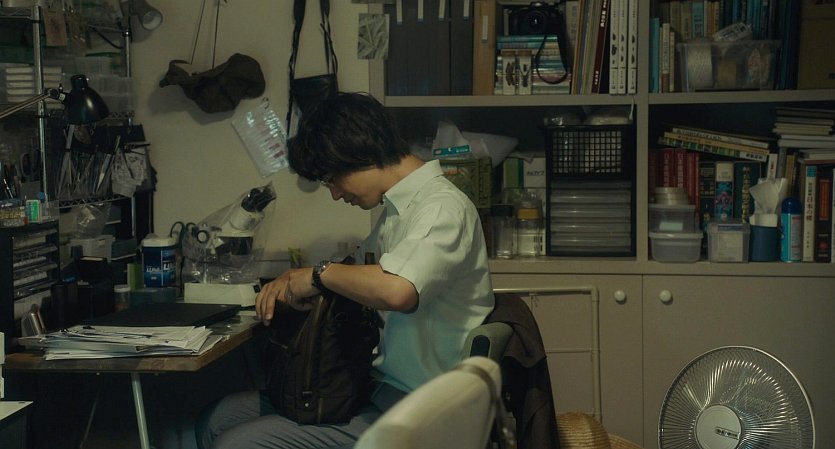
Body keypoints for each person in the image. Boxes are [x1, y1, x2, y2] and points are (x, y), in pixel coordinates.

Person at [196, 92, 495, 449]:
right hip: (382, 387)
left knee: (237, 443)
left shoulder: (441, 207)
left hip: (422, 407)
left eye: (332, 179)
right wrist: (299, 280)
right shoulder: (398, 211)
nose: (336, 194)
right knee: (218, 418)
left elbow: (398, 289)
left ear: (361, 153)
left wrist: (317, 275)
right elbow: (355, 271)